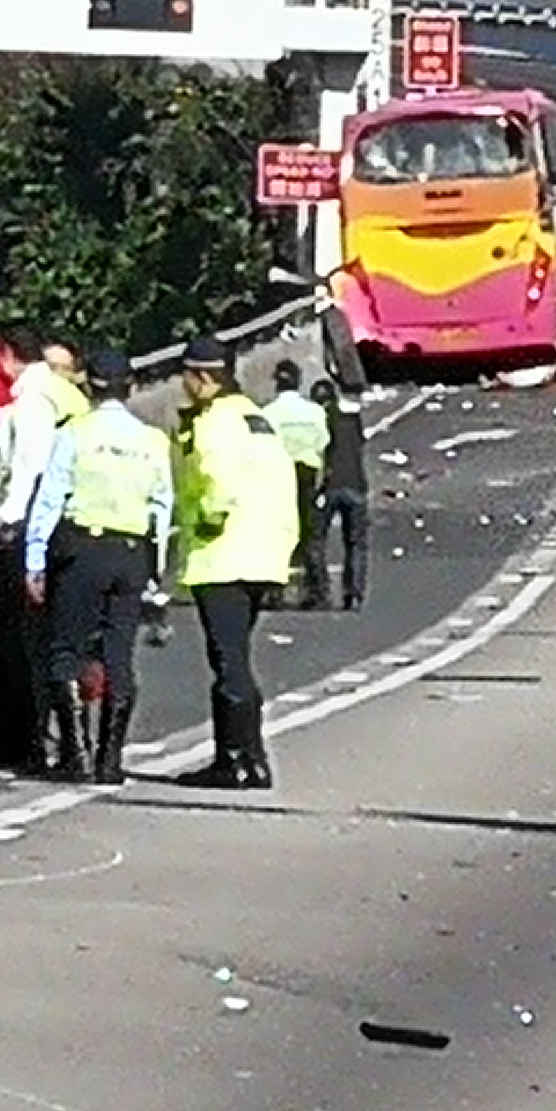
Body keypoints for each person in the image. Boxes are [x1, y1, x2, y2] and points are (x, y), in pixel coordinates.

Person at [22, 353, 175, 783]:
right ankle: (111, 761)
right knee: (118, 655)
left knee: (65, 649)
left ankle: (78, 754)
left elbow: (50, 498)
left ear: (89, 386)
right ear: (129, 388)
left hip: (83, 548)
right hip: (130, 552)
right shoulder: (152, 441)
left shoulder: (74, 433)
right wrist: (154, 568)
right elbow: (161, 508)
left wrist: (35, 558)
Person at [162, 336, 301, 790]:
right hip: (265, 553)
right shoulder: (256, 419)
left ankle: (236, 760)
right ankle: (252, 758)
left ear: (202, 378)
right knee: (236, 655)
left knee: (228, 661)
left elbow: (218, 483)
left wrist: (205, 521)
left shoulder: (213, 422)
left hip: (223, 555)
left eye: (187, 376)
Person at [0, 327, 88, 767]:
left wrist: (2, 528)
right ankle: (30, 741)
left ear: (5, 355)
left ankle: (25, 744)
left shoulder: (33, 404)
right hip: (62, 530)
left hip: (22, 533)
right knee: (36, 644)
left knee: (13, 647)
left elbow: (26, 473)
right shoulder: (67, 397)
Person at [262, 360, 330, 605]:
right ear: (299, 381)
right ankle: (318, 591)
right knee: (310, 534)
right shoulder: (314, 412)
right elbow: (323, 443)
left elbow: (264, 447)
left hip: (280, 476)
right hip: (308, 473)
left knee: (279, 534)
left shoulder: (268, 413)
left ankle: (275, 592)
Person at [309, 376, 372, 612]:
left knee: (316, 540)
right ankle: (354, 593)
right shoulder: (352, 421)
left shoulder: (318, 421)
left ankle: (320, 590)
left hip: (329, 486)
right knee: (356, 543)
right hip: (356, 485)